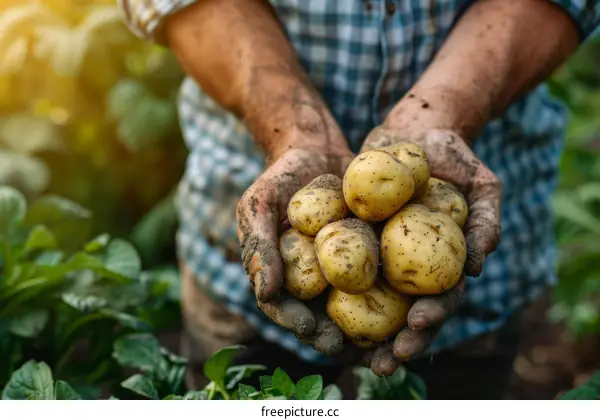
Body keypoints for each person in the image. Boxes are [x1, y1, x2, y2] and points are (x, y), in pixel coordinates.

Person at [118, 0, 600, 399]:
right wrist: (291, 127)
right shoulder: (336, 221)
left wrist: (449, 111)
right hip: (232, 233)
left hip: (488, 255)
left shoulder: (411, 207)